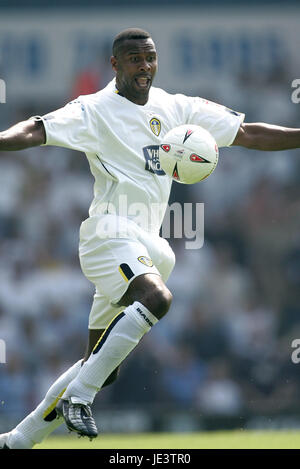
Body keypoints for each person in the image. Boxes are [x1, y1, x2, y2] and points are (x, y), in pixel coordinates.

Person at [0, 27, 300, 449]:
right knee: (157, 299)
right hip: (109, 233)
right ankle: (79, 399)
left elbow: (247, 133)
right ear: (115, 64)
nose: (145, 67)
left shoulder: (177, 107)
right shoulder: (94, 109)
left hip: (149, 242)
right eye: (135, 59)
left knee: (101, 365)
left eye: (150, 58)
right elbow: (35, 130)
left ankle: (18, 440)